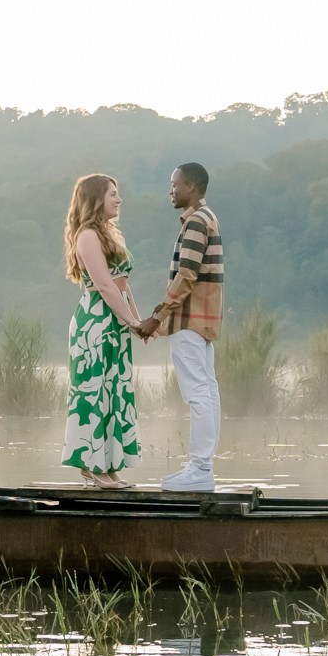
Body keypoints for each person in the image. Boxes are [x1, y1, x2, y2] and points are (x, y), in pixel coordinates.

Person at [136, 163, 223, 492]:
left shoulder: (197, 222)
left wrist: (157, 315)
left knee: (197, 393)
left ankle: (200, 468)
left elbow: (186, 275)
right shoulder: (206, 217)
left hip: (189, 319)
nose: (171, 190)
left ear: (193, 186)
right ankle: (204, 467)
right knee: (208, 391)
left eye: (176, 184)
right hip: (202, 319)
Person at [61, 174, 151, 489]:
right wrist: (132, 321)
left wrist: (139, 322)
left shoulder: (111, 233)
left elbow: (124, 286)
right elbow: (103, 286)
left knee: (115, 393)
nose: (119, 199)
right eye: (113, 194)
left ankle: (108, 466)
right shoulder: (87, 235)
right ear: (97, 198)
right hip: (96, 324)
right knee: (94, 392)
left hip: (116, 321)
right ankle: (92, 466)